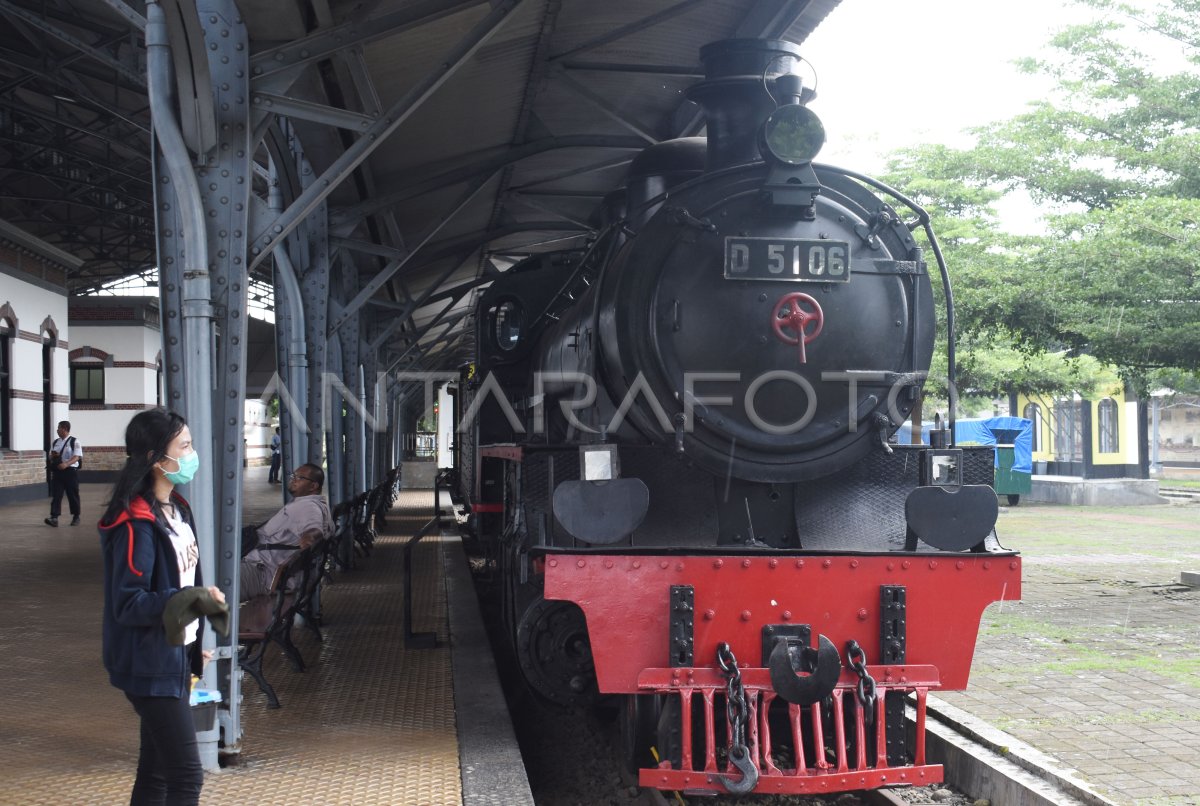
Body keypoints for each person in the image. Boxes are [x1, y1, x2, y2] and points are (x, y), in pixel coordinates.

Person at [99, 408, 226, 806]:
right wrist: (194, 600)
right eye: (184, 446)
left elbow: (180, 587)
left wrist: (191, 648)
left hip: (171, 658)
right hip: (149, 664)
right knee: (187, 776)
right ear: (156, 459)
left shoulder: (178, 511)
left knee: (154, 773)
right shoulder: (135, 523)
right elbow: (130, 603)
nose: (192, 454)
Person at [241, 462, 333, 600]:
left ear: (313, 486)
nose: (293, 480)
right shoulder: (310, 504)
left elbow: (314, 528)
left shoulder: (308, 506)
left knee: (211, 581)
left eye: (299, 478)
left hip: (263, 572)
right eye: (293, 476)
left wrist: (310, 537)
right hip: (268, 569)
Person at [45, 420, 83, 527]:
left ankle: (76, 516)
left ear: (65, 429)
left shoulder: (75, 441)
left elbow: (77, 457)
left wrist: (66, 464)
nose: (57, 430)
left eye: (59, 428)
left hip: (70, 472)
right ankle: (54, 518)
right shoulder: (55, 442)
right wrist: (53, 456)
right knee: (57, 495)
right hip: (58, 472)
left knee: (72, 495)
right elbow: (50, 456)